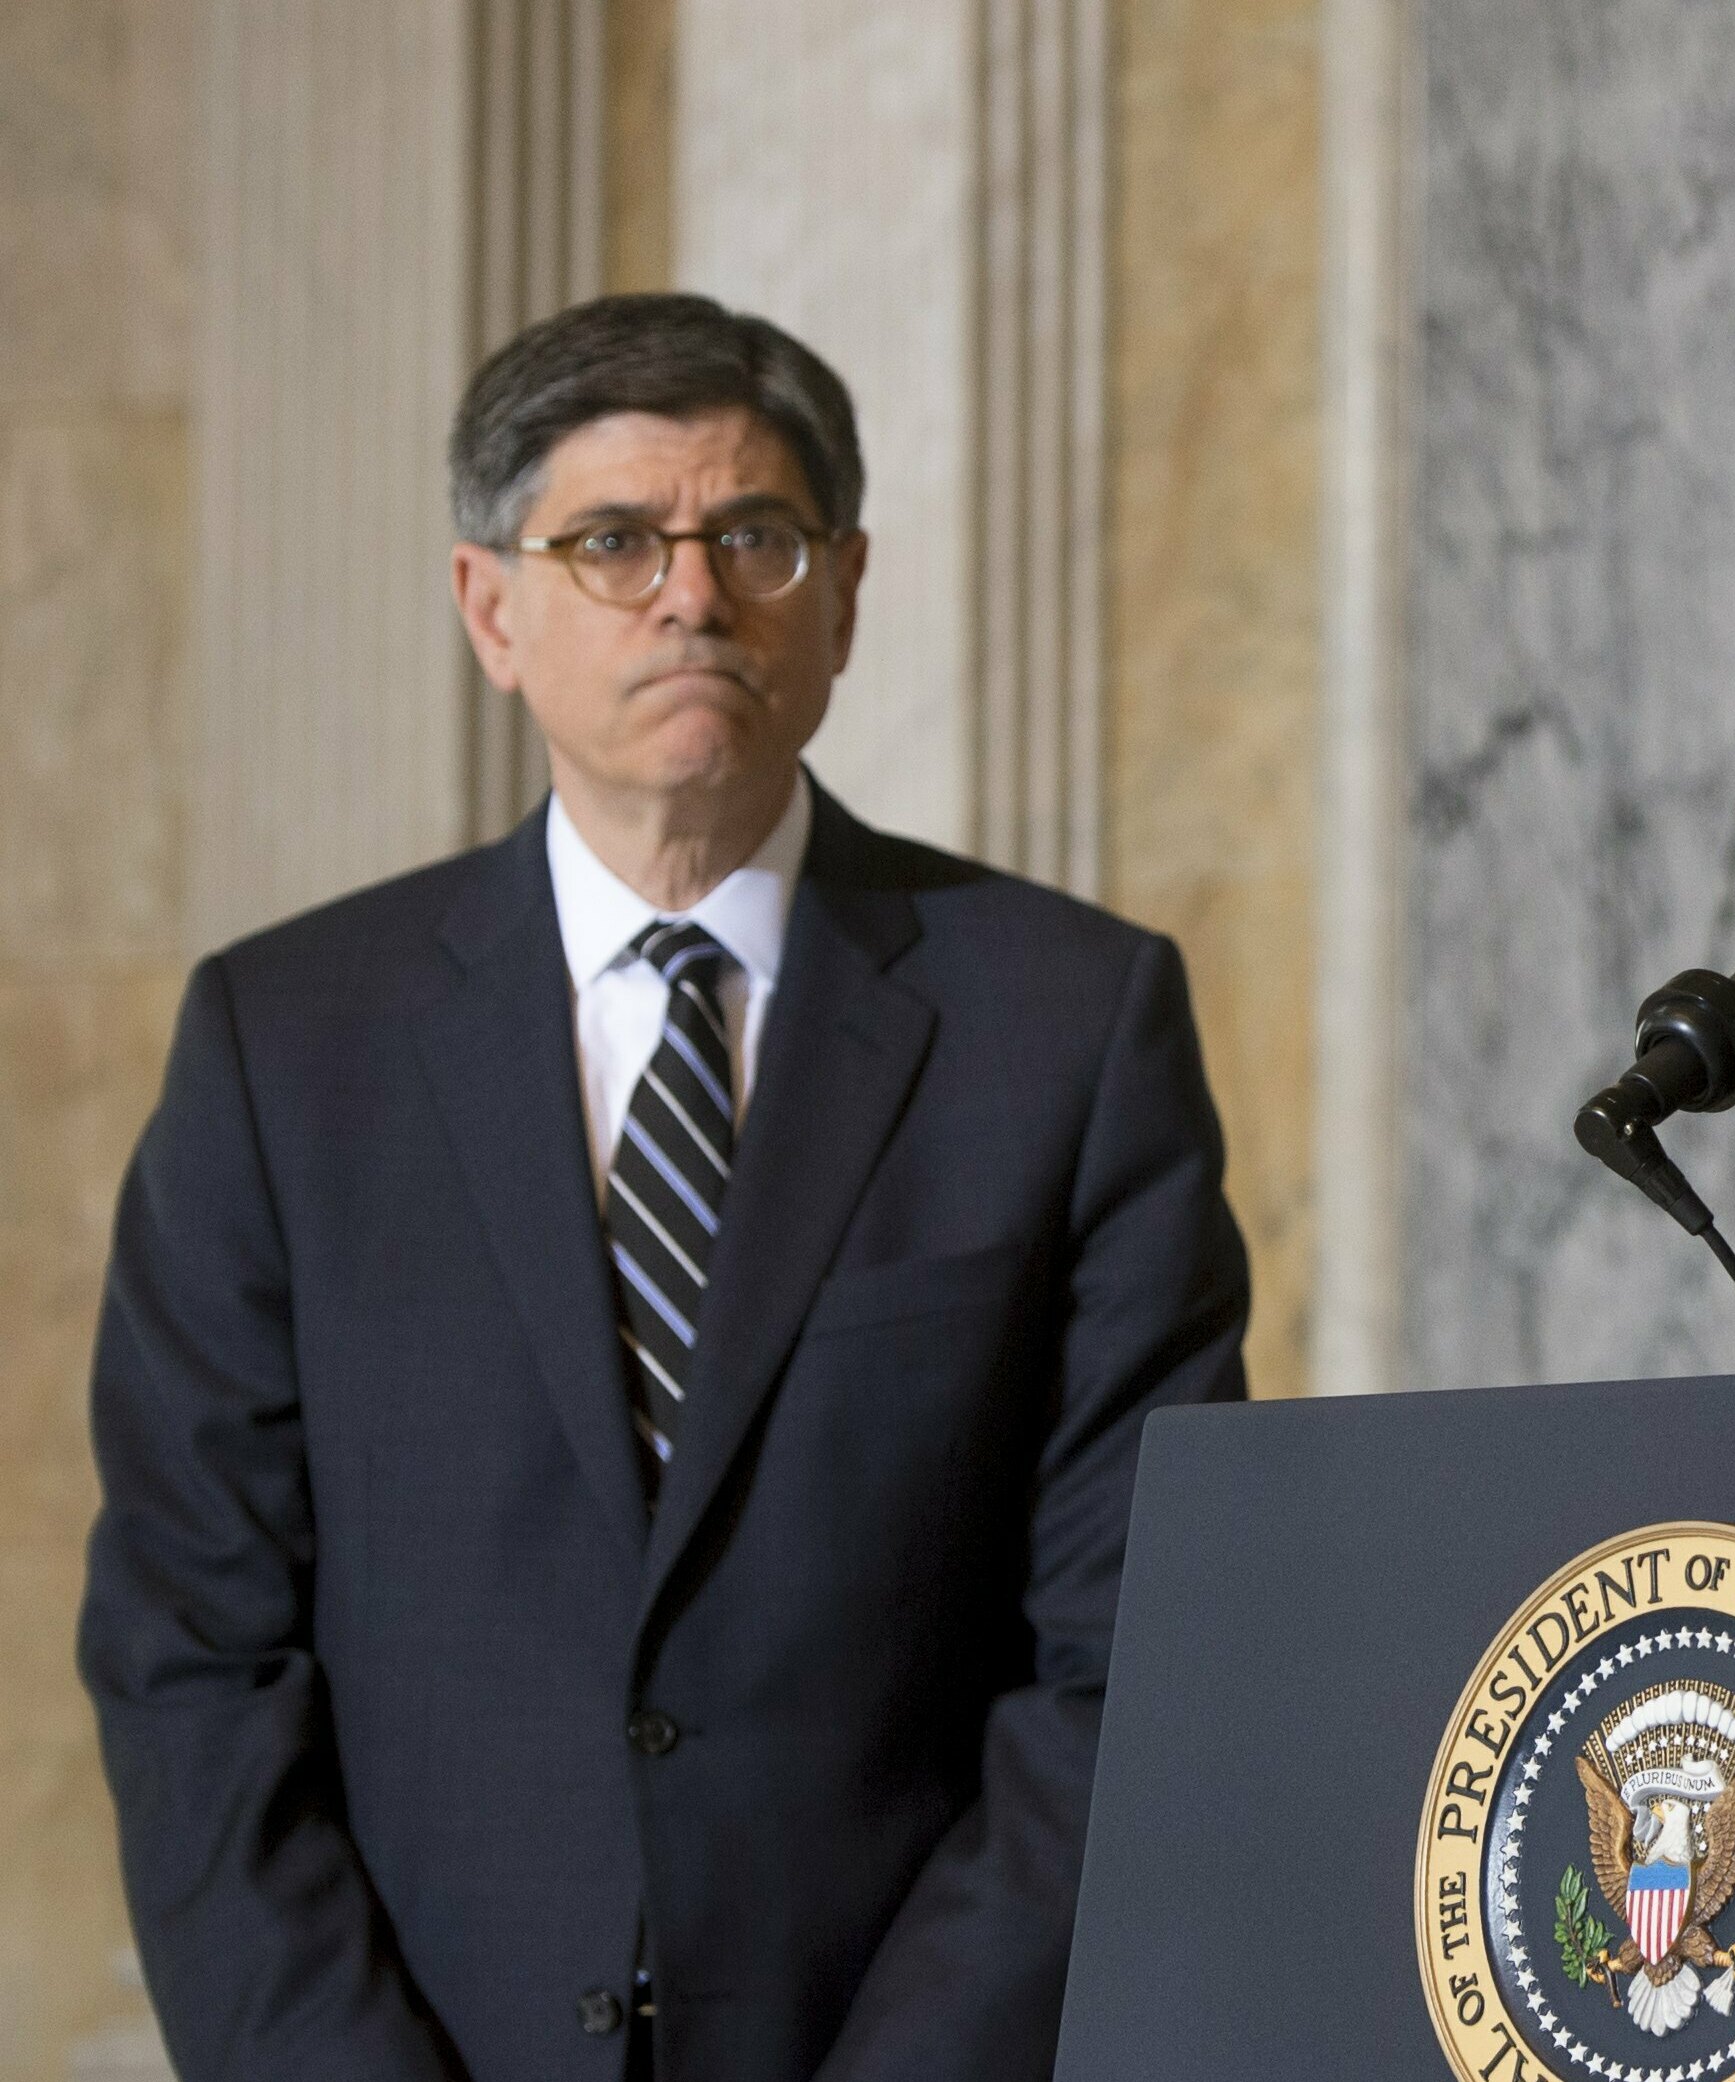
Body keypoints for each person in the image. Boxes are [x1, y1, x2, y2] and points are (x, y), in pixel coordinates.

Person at [79, 294, 1250, 2081]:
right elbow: (193, 1656)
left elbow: (1137, 1650)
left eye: (753, 538)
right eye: (614, 540)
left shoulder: (1068, 1027)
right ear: (493, 607)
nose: (691, 595)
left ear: (845, 590)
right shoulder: (282, 1045)